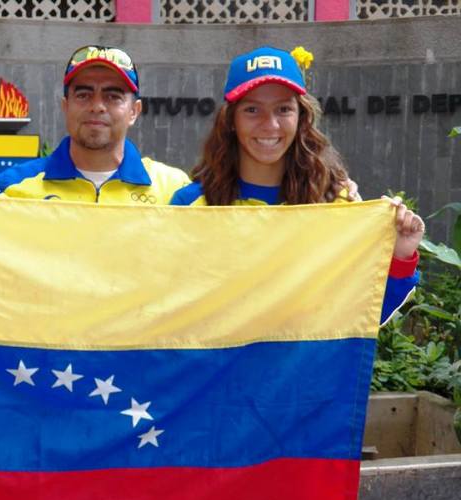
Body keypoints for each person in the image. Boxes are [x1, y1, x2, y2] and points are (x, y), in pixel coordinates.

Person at [170, 46, 423, 323]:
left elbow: (359, 318)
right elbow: (168, 316)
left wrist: (400, 255)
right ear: (231, 121)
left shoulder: (335, 204)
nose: (271, 125)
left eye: (284, 109)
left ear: (301, 118)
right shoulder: (190, 206)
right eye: (253, 109)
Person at [0, 45, 190, 204]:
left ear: (134, 111)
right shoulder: (14, 187)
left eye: (113, 96)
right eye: (83, 95)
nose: (97, 106)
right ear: (65, 106)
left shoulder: (174, 190)